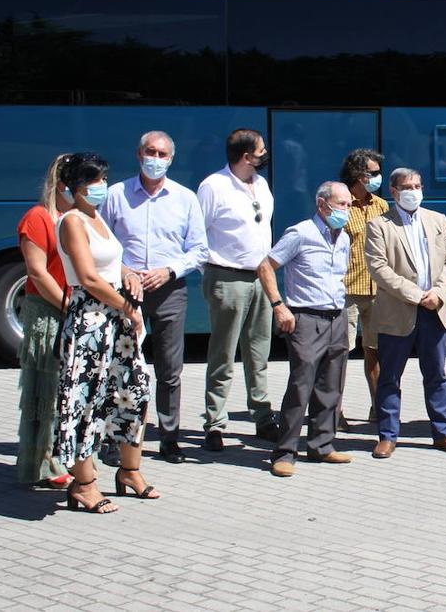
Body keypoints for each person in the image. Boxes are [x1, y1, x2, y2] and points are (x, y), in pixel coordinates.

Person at [53, 153, 157, 513]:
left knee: (134, 391)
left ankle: (129, 472)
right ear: (74, 187)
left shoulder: (96, 219)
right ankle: (84, 484)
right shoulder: (72, 222)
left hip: (115, 322)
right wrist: (127, 307)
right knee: (86, 400)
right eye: (93, 180)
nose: (101, 186)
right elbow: (87, 276)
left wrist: (128, 273)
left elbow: (109, 262)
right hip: (91, 322)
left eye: (102, 178)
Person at [100, 131, 207, 465]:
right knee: (121, 366)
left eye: (162, 154)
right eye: (151, 152)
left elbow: (199, 250)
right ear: (138, 154)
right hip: (124, 290)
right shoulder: (116, 195)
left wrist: (170, 270)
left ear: (171, 159)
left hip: (169, 289)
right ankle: (116, 438)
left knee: (169, 368)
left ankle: (169, 436)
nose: (156, 159)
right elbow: (99, 242)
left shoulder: (185, 198)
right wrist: (124, 271)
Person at [366, 168, 446, 458]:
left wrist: (439, 292)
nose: (414, 191)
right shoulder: (379, 225)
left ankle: (443, 432)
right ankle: (387, 435)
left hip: (435, 310)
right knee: (390, 377)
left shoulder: (437, 220)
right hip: (398, 312)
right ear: (394, 192)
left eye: (418, 185)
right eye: (407, 186)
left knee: (436, 375)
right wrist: (417, 295)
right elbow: (379, 269)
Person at [258, 182, 355, 477]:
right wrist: (278, 305)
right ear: (322, 204)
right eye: (341, 204)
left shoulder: (344, 237)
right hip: (306, 319)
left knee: (331, 385)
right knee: (301, 386)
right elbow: (265, 266)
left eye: (349, 205)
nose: (346, 211)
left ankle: (322, 445)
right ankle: (285, 452)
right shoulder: (300, 234)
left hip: (336, 316)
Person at [197, 128, 278, 451]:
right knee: (223, 354)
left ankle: (262, 415)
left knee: (258, 352)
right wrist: (213, 273)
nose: (265, 154)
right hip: (227, 277)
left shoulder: (260, 184)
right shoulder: (213, 186)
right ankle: (214, 423)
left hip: (261, 276)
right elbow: (198, 233)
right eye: (261, 151)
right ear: (246, 156)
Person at [15, 154, 73, 489]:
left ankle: (62, 456)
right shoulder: (38, 218)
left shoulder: (79, 219)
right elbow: (37, 271)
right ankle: (46, 463)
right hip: (48, 312)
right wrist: (67, 306)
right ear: (62, 183)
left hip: (72, 309)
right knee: (47, 391)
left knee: (67, 392)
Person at [339, 148, 389, 427]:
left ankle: (379, 408)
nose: (377, 177)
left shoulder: (381, 206)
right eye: (373, 172)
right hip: (346, 290)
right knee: (339, 353)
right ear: (358, 174)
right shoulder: (340, 205)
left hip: (377, 291)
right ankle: (334, 411)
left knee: (375, 351)